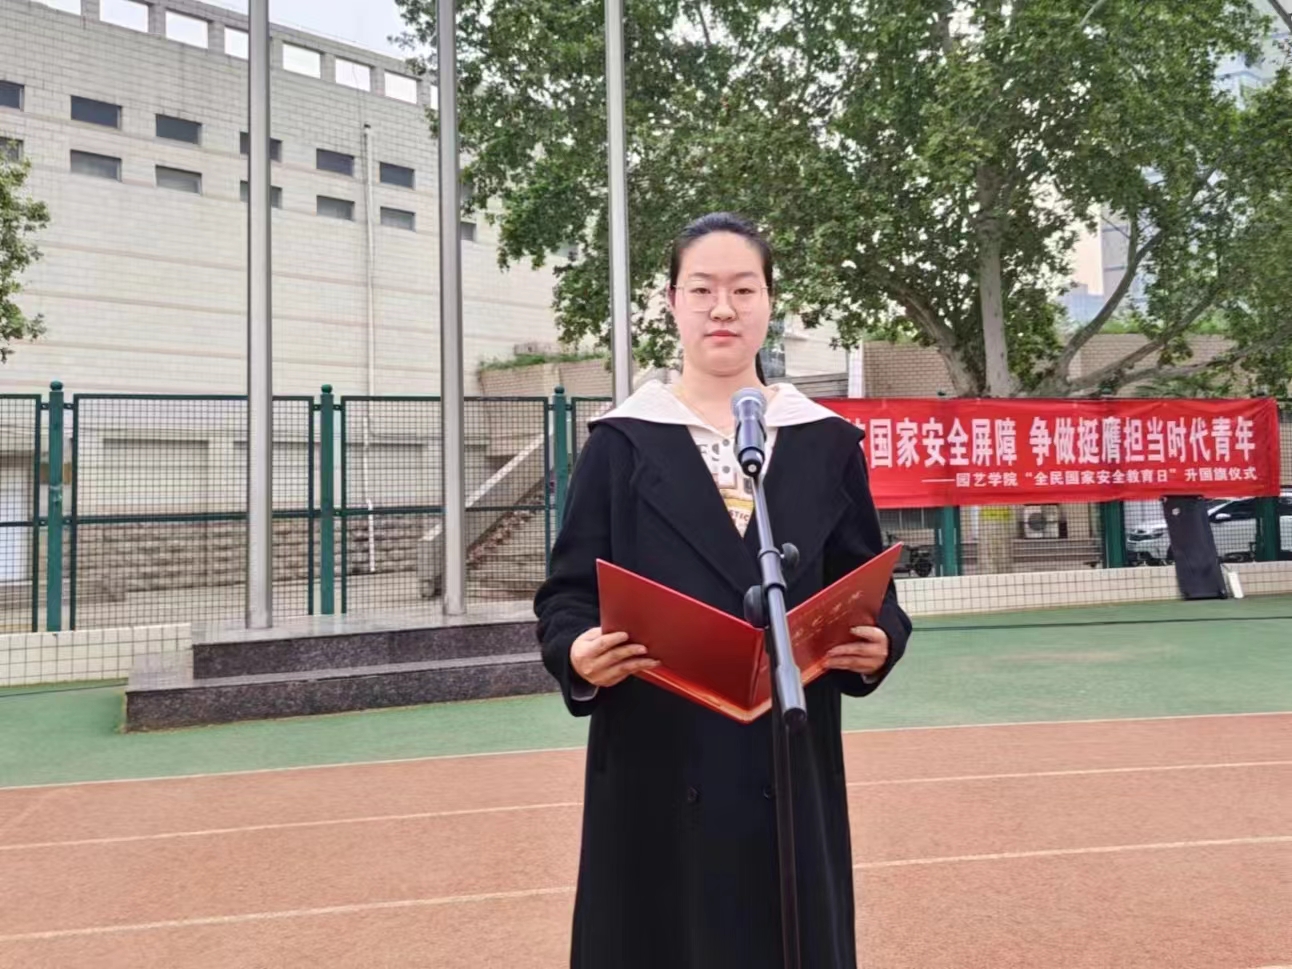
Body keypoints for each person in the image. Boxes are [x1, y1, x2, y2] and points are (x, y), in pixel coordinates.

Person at [533, 212, 912, 969]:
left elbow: (868, 586)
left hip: (786, 760)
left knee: (785, 934)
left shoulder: (822, 441)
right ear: (671, 302)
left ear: (770, 302)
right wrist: (577, 651)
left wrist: (880, 642)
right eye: (702, 289)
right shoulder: (622, 442)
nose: (723, 308)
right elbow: (566, 595)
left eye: (744, 289)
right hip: (658, 758)